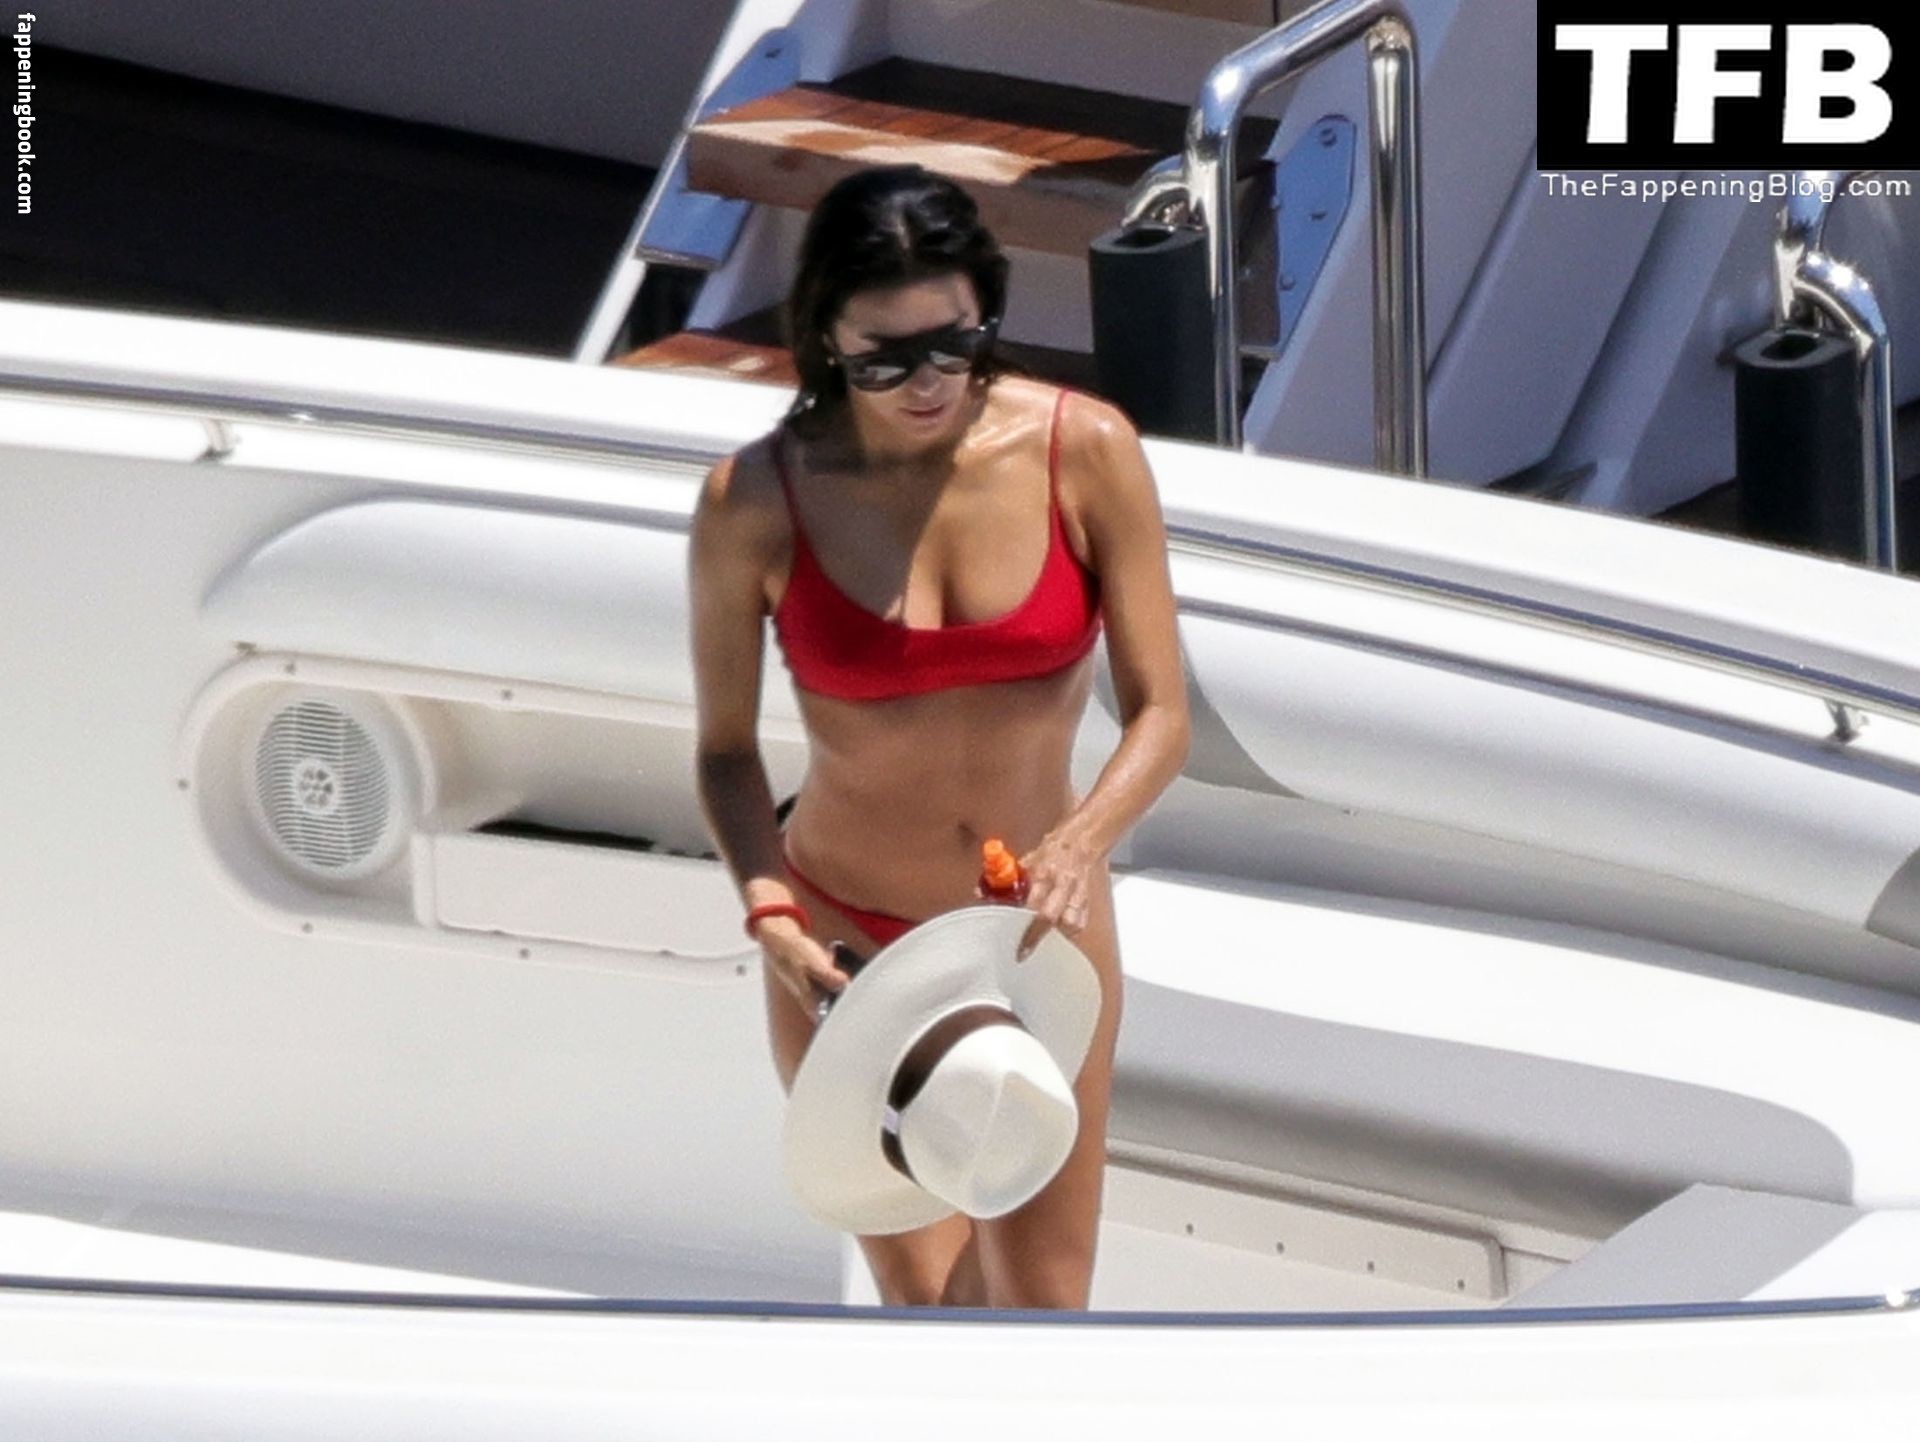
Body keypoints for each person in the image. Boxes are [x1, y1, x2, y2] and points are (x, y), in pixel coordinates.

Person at [688, 163, 1190, 1309]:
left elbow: (1163, 710)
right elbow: (725, 751)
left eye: (954, 346)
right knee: (933, 1321)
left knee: (1044, 1310)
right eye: (885, 358)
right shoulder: (754, 501)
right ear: (825, 336)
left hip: (1036, 935)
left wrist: (1082, 842)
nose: (925, 384)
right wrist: (770, 912)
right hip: (844, 942)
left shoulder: (1086, 451)